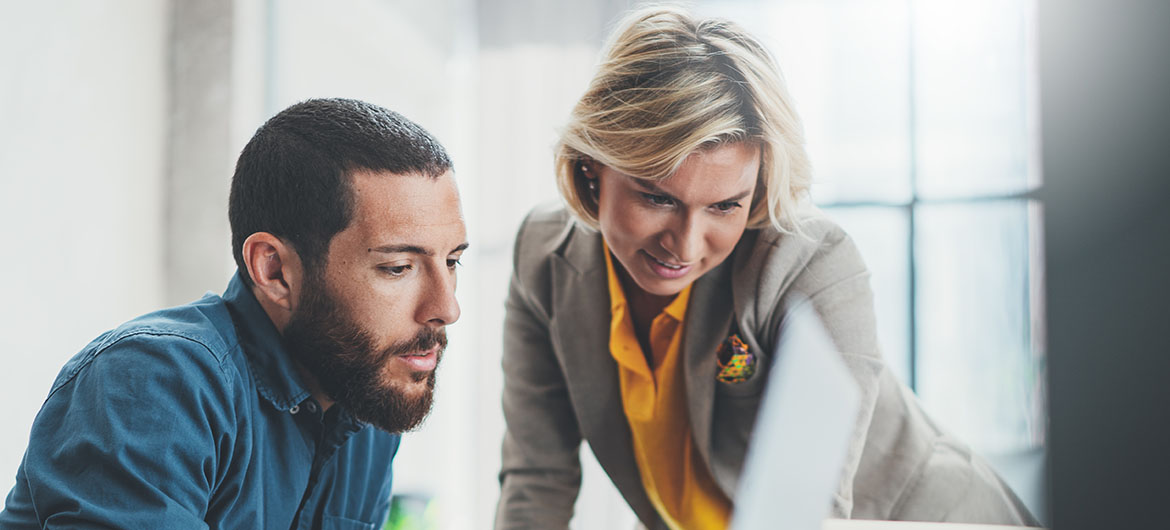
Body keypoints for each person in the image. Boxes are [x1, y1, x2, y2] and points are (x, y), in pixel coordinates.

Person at [495, 7, 1037, 529]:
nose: (685, 244)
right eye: (656, 198)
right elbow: (537, 481)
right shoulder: (543, 259)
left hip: (920, 519)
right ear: (592, 167)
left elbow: (812, 508)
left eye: (725, 205)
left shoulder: (810, 264)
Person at [0, 98, 467, 529]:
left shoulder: (364, 400)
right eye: (398, 267)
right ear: (275, 270)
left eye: (451, 262)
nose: (446, 308)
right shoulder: (153, 383)